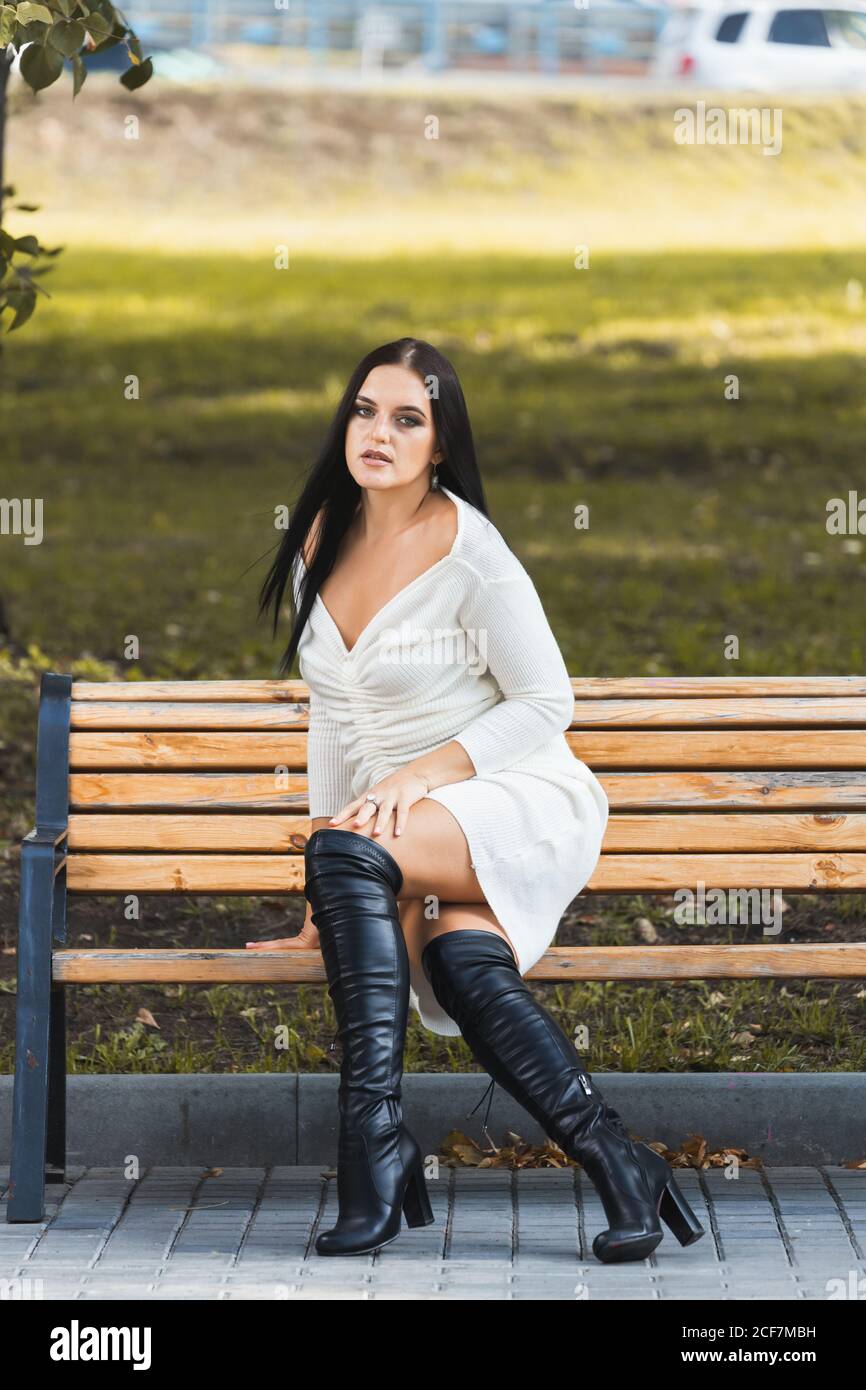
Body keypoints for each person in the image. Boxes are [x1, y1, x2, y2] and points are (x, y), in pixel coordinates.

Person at [249, 336, 706, 1263]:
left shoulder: (470, 549)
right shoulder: (318, 539)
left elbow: (547, 703)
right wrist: (321, 908)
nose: (378, 432)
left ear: (441, 444)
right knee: (459, 960)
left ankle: (372, 1147)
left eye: (407, 419)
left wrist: (417, 778)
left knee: (346, 851)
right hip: (410, 828)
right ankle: (621, 1161)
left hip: (515, 796)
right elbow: (334, 725)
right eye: (365, 410)